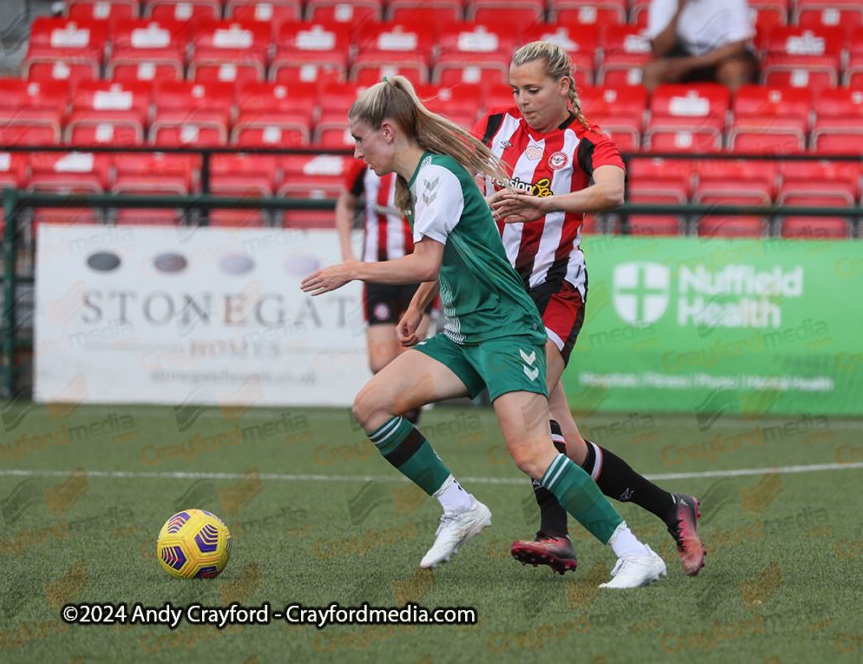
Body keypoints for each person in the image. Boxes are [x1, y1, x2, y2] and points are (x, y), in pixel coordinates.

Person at [301, 76, 667, 589]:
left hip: (505, 331)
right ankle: (460, 508)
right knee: (371, 405)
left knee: (534, 455)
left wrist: (353, 269)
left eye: (359, 139)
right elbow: (446, 260)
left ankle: (636, 554)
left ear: (387, 131)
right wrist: (420, 304)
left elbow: (427, 259)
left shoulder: (438, 177)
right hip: (463, 334)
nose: (356, 151)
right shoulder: (419, 177)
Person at [462, 41, 706, 576]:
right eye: (515, 90)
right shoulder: (495, 126)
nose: (522, 100)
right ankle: (672, 507)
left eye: (533, 89)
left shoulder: (590, 142)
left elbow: (612, 192)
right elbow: (466, 201)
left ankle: (555, 535)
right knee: (566, 445)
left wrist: (541, 203)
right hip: (502, 292)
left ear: (564, 87)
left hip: (556, 287)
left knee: (526, 409)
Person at [335, 159, 431, 424]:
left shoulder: (426, 164)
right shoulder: (364, 164)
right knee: (381, 363)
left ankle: (404, 421)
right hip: (378, 272)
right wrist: (347, 255)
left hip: (419, 273)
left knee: (408, 356)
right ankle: (403, 413)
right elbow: (345, 203)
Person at [642, 0, 756, 93]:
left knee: (734, 70)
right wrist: (679, 9)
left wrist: (687, 64)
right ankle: (656, 118)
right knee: (652, 70)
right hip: (684, 51)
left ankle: (734, 117)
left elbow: (737, 46)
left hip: (721, 55)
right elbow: (659, 49)